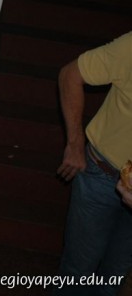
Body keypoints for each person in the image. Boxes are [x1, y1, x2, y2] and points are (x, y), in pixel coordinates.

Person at [55, 31, 132, 295]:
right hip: (102, 176)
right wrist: (75, 143)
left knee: (115, 276)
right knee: (77, 272)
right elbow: (70, 75)